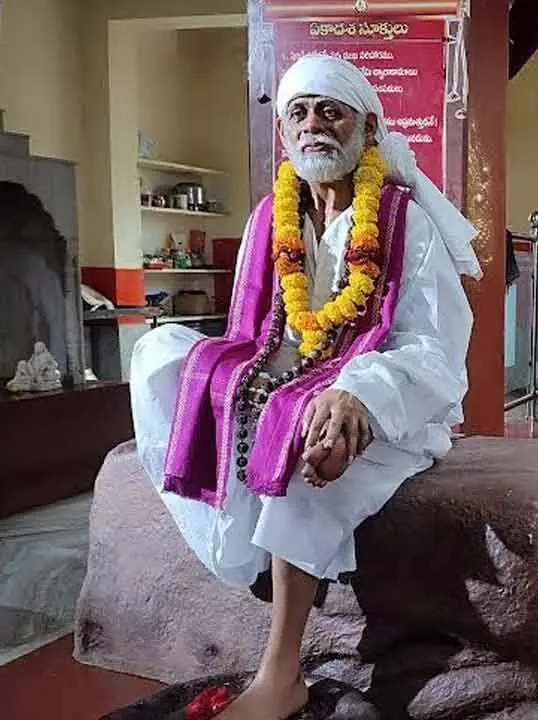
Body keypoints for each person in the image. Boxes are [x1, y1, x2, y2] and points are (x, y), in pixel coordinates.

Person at [129, 54, 480, 719]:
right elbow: (263, 335)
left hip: (393, 402)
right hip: (291, 380)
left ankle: (280, 677)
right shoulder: (272, 218)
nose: (313, 125)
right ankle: (236, 542)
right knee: (159, 352)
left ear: (367, 129)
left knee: (302, 450)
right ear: (286, 133)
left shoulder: (408, 223)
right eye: (299, 113)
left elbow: (433, 350)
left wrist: (358, 399)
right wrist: (263, 390)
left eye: (330, 110)